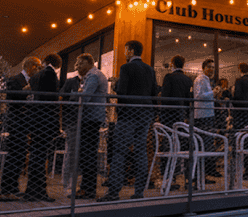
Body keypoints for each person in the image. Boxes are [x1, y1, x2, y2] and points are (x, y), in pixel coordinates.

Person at [105, 40, 158, 200]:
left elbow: (122, 91)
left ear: (131, 50)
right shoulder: (150, 69)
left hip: (128, 114)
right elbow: (154, 91)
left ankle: (114, 191)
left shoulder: (126, 67)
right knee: (141, 151)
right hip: (145, 114)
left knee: (120, 151)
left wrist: (115, 85)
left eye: (125, 49)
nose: (124, 52)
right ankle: (139, 191)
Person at [0, 56, 41, 200]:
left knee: (21, 156)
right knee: (14, 155)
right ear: (31, 66)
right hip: (16, 122)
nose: (39, 70)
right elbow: (11, 97)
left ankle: (14, 188)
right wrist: (27, 90)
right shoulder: (15, 79)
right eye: (38, 67)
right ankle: (5, 190)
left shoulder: (32, 81)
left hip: (26, 122)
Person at [26, 53, 62, 200]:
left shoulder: (36, 76)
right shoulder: (50, 74)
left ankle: (31, 190)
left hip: (36, 120)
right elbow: (52, 99)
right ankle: (38, 191)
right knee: (41, 156)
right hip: (46, 120)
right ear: (57, 64)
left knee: (36, 155)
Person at [73, 53, 108, 198]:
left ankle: (88, 190)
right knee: (88, 154)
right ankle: (86, 188)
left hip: (90, 118)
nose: (77, 67)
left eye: (80, 64)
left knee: (87, 155)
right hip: (93, 118)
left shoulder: (93, 76)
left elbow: (85, 97)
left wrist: (76, 94)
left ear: (88, 62)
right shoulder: (94, 74)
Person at [160, 55, 192, 129]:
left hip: (169, 112)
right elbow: (188, 96)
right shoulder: (188, 79)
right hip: (181, 111)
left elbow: (165, 95)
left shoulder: (169, 77)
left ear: (173, 64)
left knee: (168, 133)